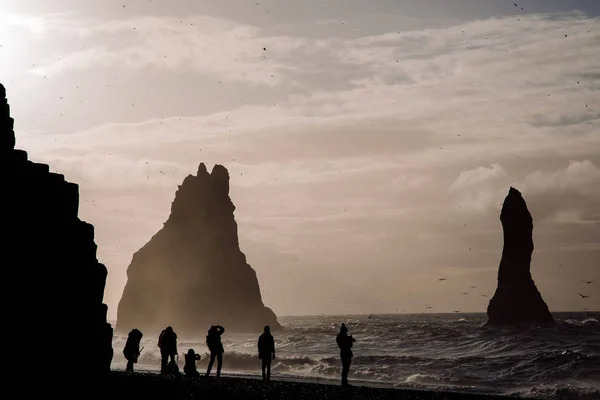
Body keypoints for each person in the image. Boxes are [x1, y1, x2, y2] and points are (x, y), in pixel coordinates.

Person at [336, 323, 356, 387]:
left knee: (345, 368)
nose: (346, 333)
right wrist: (350, 339)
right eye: (345, 331)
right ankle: (344, 383)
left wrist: (350, 339)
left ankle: (344, 382)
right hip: (346, 353)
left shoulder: (339, 337)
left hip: (343, 353)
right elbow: (349, 345)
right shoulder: (343, 338)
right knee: (346, 368)